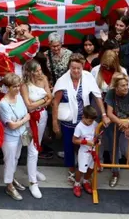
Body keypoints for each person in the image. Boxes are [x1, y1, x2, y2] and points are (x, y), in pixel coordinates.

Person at [52, 53, 106, 182]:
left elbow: (97, 96)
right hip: (68, 121)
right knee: (69, 146)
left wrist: (103, 114)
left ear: (82, 67)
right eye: (73, 68)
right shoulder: (62, 80)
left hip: (84, 120)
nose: (76, 71)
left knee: (86, 146)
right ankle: (71, 171)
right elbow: (55, 102)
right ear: (69, 67)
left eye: (78, 68)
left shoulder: (88, 77)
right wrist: (55, 122)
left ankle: (85, 174)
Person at [0, 73, 42, 200]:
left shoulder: (19, 97)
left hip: (22, 133)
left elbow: (24, 114)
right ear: (7, 87)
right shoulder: (3, 103)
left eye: (18, 86)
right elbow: (11, 125)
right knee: (10, 160)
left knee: (17, 157)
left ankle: (11, 179)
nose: (18, 89)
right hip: (10, 136)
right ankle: (9, 185)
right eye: (14, 87)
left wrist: (21, 121)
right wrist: (23, 120)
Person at [103, 74, 129, 187]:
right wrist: (121, 123)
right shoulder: (111, 94)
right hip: (116, 124)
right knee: (114, 148)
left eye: (126, 85)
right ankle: (115, 173)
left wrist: (128, 123)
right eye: (122, 86)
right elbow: (109, 113)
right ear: (116, 87)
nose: (126, 87)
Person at [72, 105, 99, 197]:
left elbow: (97, 134)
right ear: (84, 116)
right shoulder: (79, 127)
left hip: (93, 150)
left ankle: (86, 181)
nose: (91, 123)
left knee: (91, 168)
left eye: (92, 121)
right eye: (89, 121)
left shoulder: (94, 124)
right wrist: (86, 142)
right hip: (84, 151)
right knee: (81, 169)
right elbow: (74, 140)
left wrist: (98, 140)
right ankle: (77, 184)